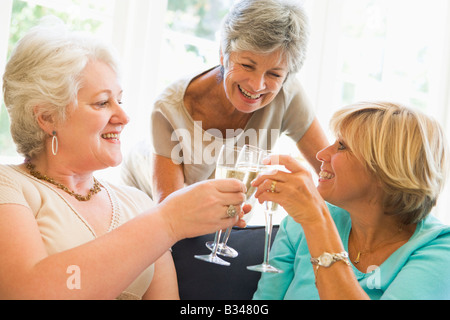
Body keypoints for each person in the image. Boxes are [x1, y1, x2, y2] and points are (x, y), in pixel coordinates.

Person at [0, 23, 248, 300]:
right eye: (102, 103)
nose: (124, 116)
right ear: (46, 117)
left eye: (120, 100)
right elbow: (26, 292)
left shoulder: (137, 203)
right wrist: (168, 221)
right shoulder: (8, 186)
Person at [251, 102, 450, 299]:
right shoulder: (298, 226)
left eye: (342, 146)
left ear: (385, 171)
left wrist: (316, 221)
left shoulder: (439, 250)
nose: (321, 154)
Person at [147, 0, 329, 203]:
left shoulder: (288, 95)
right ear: (223, 55)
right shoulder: (169, 109)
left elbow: (331, 174)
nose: (257, 85)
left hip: (228, 224)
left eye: (274, 74)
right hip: (154, 207)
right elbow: (168, 215)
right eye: (247, 65)